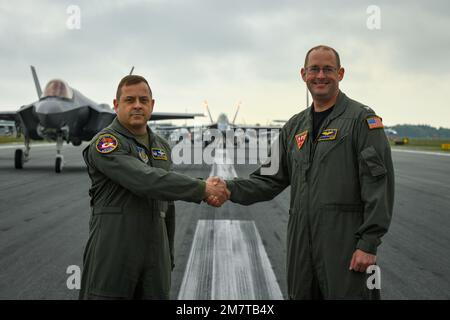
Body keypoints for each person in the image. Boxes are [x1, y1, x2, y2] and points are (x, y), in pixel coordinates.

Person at [207, 45, 395, 299]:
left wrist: (368, 243)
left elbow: (378, 186)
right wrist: (229, 188)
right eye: (313, 69)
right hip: (301, 248)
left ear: (340, 74)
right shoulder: (295, 126)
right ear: (303, 74)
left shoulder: (362, 121)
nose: (320, 76)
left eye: (327, 69)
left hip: (345, 246)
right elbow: (269, 179)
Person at [79, 75, 229, 299]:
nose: (137, 105)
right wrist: (203, 188)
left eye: (143, 99)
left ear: (152, 105)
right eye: (130, 100)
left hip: (154, 259)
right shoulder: (106, 144)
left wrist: (166, 255)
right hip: (113, 254)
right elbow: (145, 179)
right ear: (116, 105)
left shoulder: (162, 146)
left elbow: (166, 202)